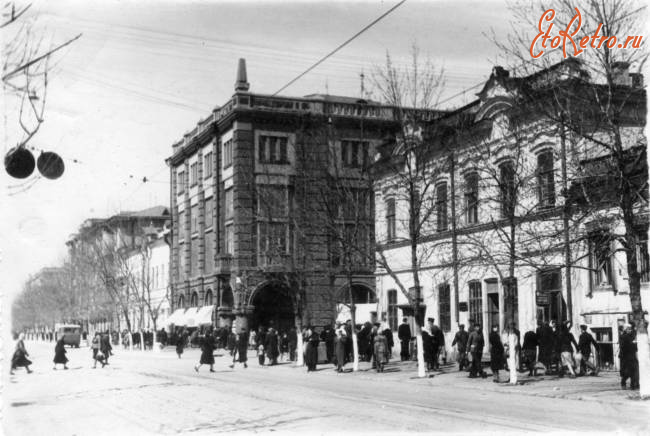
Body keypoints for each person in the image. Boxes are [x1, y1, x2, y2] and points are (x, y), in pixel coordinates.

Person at [619, 324, 639, 390]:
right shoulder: (623, 336)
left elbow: (635, 347)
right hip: (625, 357)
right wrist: (633, 343)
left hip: (632, 356)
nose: (630, 330)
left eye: (630, 329)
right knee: (627, 372)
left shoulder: (632, 336)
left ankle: (633, 386)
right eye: (628, 329)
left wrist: (635, 343)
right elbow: (623, 347)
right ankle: (623, 382)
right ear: (625, 329)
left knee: (635, 371)